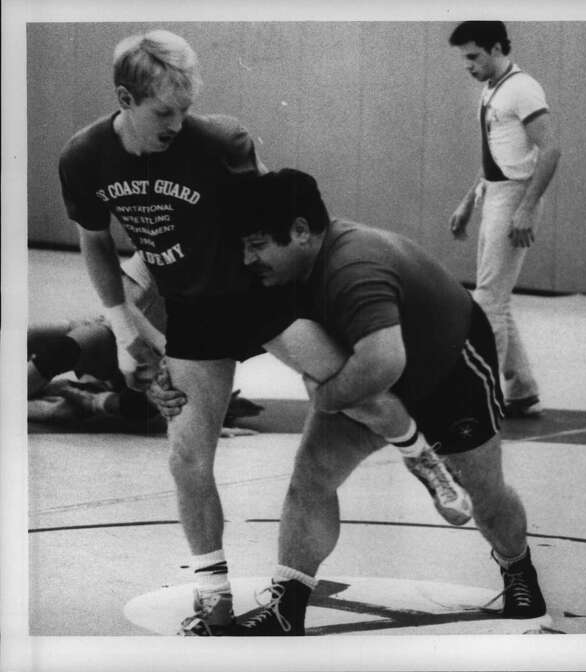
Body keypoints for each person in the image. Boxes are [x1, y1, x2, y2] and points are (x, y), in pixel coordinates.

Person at [57, 30, 470, 638]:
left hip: (259, 291)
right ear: (124, 98)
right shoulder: (84, 157)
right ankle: (213, 595)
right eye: (163, 112)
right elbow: (96, 241)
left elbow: (272, 216)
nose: (176, 123)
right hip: (192, 309)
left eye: (185, 109)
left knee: (358, 393)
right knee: (186, 457)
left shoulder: (221, 141)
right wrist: (127, 324)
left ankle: (424, 460)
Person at [223, 168, 548, 635]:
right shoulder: (288, 270)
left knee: (486, 496)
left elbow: (384, 362)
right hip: (366, 376)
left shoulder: (353, 264)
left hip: (451, 371)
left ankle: (519, 570)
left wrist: (328, 397)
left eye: (257, 245)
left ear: (299, 232)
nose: (248, 258)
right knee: (311, 477)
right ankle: (287, 605)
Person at [447, 21, 561, 419]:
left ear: (497, 48)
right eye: (465, 58)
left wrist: (527, 207)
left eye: (474, 56)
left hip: (514, 197)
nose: (468, 65)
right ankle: (521, 387)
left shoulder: (523, 89)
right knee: (495, 297)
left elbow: (550, 150)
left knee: (487, 303)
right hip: (495, 195)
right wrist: (469, 201)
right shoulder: (492, 88)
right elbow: (497, 157)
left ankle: (481, 398)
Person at [27, 253, 260, 435]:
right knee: (48, 340)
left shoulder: (232, 283)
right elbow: (118, 301)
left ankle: (93, 402)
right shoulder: (162, 248)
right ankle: (33, 396)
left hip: (154, 364)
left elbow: (212, 359)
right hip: (120, 338)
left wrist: (208, 420)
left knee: (158, 401)